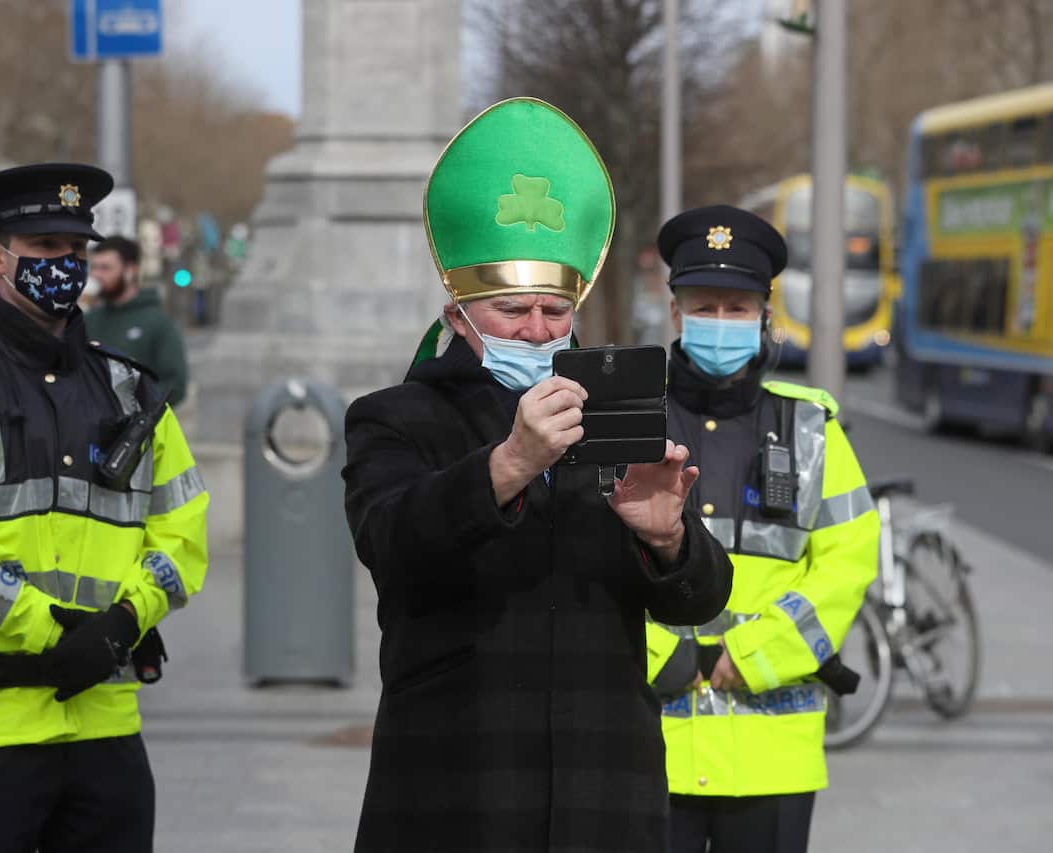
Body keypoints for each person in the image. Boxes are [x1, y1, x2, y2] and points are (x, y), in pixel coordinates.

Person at [342, 98, 735, 853]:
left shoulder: (621, 413)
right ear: (458, 314)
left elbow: (702, 598)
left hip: (605, 795)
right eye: (512, 309)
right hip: (456, 793)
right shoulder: (394, 417)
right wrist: (510, 465)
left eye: (556, 309)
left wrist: (669, 541)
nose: (538, 330)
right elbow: (392, 544)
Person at [0, 163, 210, 853]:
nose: (67, 265)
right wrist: (47, 630)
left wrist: (125, 619)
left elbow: (183, 533)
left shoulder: (137, 395)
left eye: (76, 250)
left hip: (105, 722)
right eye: (46, 249)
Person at [644, 205, 879, 853]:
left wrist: (748, 657)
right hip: (648, 748)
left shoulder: (812, 428)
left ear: (764, 317)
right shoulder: (629, 424)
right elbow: (587, 560)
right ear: (675, 314)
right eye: (705, 307)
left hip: (772, 758)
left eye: (737, 308)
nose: (722, 323)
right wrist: (668, 657)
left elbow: (848, 560)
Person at [85, 235, 188, 406]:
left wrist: (134, 412)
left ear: (130, 270)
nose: (96, 275)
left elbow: (175, 385)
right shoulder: (87, 319)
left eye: (105, 268)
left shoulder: (158, 322)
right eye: (94, 267)